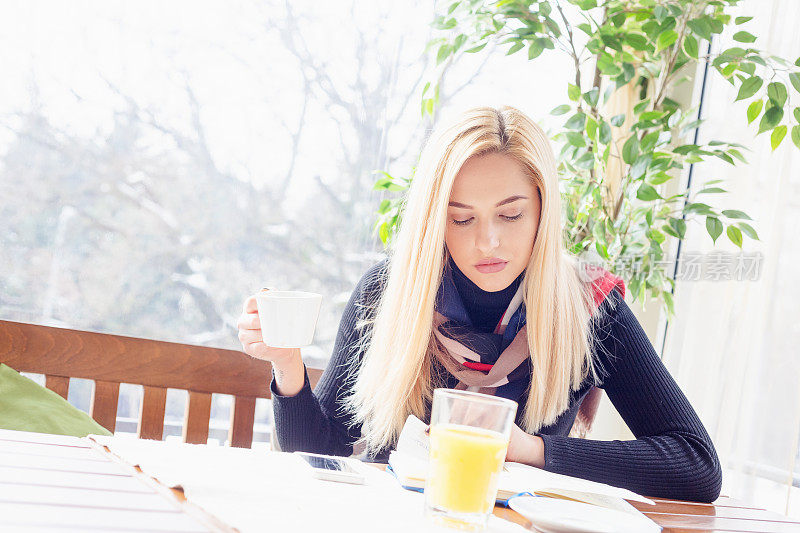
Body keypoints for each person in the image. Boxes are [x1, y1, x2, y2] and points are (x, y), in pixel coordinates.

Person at [237, 105, 722, 503]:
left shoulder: (587, 308)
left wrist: (528, 450)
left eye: (510, 214)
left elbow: (696, 465)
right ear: (435, 222)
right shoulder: (390, 292)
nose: (487, 242)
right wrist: (287, 364)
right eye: (462, 219)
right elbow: (321, 449)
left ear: (542, 210)